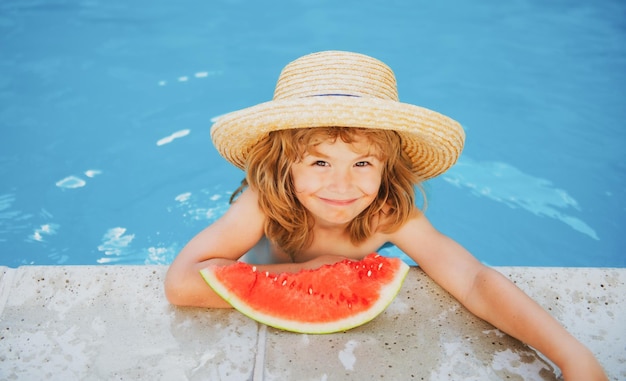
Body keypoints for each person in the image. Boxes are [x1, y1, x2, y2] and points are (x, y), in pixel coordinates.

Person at [164, 51, 607, 380]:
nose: (341, 186)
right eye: (319, 163)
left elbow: (472, 279)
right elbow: (183, 283)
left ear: (387, 169)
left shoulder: (389, 215)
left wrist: (573, 356)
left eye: (362, 164)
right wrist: (308, 273)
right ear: (283, 166)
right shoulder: (262, 204)